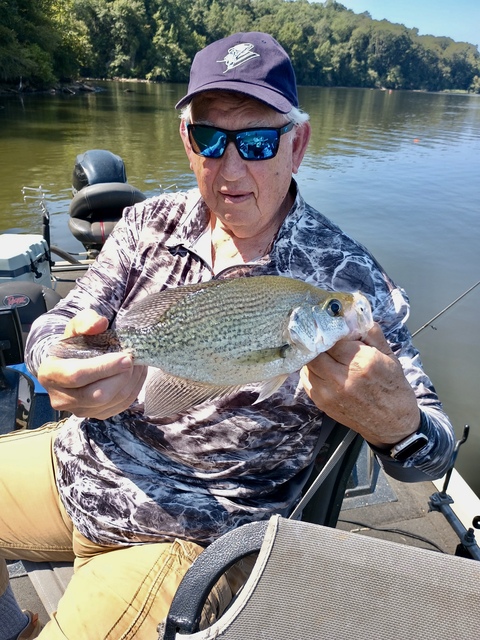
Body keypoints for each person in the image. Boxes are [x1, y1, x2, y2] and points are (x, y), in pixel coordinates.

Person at [0, 32, 455, 639]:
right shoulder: (145, 223)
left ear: (297, 144)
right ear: (189, 141)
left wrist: (400, 426)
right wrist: (56, 360)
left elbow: (434, 451)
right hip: (80, 464)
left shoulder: (346, 277)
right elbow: (65, 321)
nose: (231, 167)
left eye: (258, 141)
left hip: (197, 536)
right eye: (211, 138)